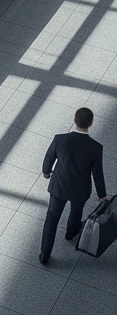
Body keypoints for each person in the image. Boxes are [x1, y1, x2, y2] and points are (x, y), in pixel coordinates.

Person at [39, 107, 107, 264]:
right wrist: (102, 194)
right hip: (80, 189)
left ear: (74, 120)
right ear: (91, 123)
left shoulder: (60, 139)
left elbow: (49, 156)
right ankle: (70, 233)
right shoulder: (96, 147)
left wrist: (46, 171)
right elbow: (97, 173)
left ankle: (44, 255)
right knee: (76, 212)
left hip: (59, 186)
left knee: (52, 218)